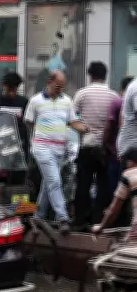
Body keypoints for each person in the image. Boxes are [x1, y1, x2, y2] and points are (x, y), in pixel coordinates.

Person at [23, 70, 90, 234]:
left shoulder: (67, 101)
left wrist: (84, 128)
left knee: (48, 184)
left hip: (60, 149)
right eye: (57, 86)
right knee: (55, 181)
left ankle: (38, 215)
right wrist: (42, 134)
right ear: (50, 81)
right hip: (42, 148)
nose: (60, 89)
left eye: (62, 86)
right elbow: (28, 121)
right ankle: (63, 218)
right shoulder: (36, 101)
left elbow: (73, 121)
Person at [92, 146, 137, 292]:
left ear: (130, 161)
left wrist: (101, 227)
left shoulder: (129, 175)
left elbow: (113, 210)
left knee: (124, 261)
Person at [73, 61, 120, 228]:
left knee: (83, 184)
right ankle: (97, 219)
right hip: (105, 147)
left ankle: (80, 220)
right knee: (103, 184)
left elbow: (73, 117)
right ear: (105, 76)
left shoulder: (81, 94)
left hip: (87, 145)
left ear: (90, 75)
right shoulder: (114, 96)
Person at [103, 76, 135, 220]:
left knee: (122, 193)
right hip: (129, 152)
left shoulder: (119, 101)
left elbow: (116, 124)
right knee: (123, 194)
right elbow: (113, 125)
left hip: (123, 152)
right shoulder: (133, 89)